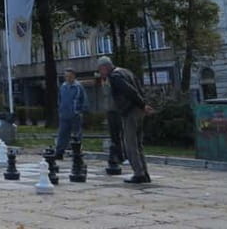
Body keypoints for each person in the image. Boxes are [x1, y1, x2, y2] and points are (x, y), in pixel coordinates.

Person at [97, 56, 154, 184]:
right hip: (138, 111)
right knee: (139, 144)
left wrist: (142, 104)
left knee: (130, 144)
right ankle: (144, 172)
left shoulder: (115, 76)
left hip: (130, 111)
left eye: (100, 70)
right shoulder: (126, 71)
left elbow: (129, 91)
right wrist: (143, 104)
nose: (100, 73)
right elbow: (139, 88)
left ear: (104, 67)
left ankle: (139, 174)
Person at [55, 67, 88, 160]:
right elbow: (60, 99)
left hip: (75, 115)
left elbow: (84, 100)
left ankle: (77, 153)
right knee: (62, 134)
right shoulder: (63, 86)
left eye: (69, 76)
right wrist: (60, 110)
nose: (67, 78)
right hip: (64, 115)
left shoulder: (78, 87)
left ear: (73, 76)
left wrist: (80, 111)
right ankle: (59, 152)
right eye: (66, 76)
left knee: (76, 135)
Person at [99, 73, 126, 166]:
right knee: (114, 136)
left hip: (117, 110)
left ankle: (124, 156)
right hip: (110, 111)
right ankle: (117, 156)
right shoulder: (105, 83)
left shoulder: (114, 82)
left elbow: (109, 93)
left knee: (121, 135)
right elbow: (105, 95)